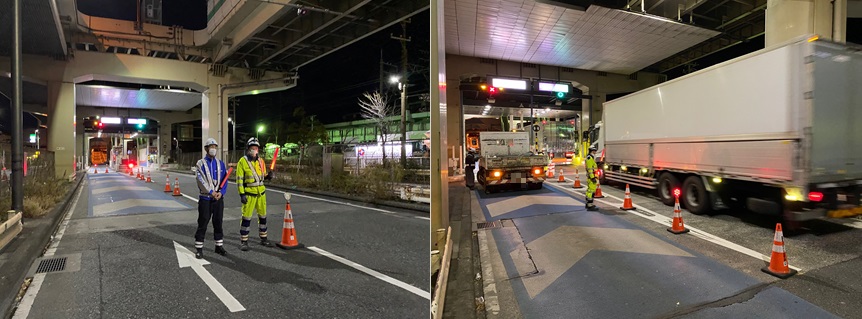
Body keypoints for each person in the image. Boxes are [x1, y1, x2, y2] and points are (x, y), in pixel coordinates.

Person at [236, 137, 274, 251]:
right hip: (249, 194)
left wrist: (268, 176)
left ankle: (264, 238)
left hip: (261, 193)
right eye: (252, 148)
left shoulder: (261, 161)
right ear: (248, 149)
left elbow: (262, 176)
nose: (254, 150)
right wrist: (242, 194)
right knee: (246, 218)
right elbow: (239, 180)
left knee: (263, 217)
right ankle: (244, 241)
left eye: (256, 148)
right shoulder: (242, 162)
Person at [194, 138, 228, 259]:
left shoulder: (221, 163)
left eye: (215, 147)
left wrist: (221, 193)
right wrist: (211, 191)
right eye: (211, 146)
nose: (213, 149)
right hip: (205, 198)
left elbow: (225, 180)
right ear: (206, 149)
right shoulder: (200, 163)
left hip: (218, 199)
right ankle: (199, 248)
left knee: (218, 222)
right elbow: (200, 179)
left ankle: (219, 246)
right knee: (203, 223)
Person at [585, 146, 599, 211]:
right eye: (594, 150)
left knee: (590, 190)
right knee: (591, 190)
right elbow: (590, 169)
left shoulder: (591, 157)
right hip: (591, 177)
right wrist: (592, 177)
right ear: (591, 151)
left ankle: (588, 203)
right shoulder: (589, 158)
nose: (595, 152)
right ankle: (590, 205)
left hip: (592, 176)